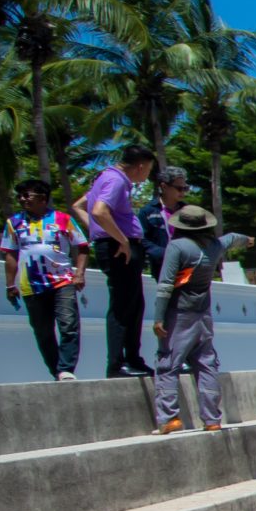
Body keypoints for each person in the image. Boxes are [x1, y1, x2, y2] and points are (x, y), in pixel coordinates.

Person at [149, 204, 253, 434]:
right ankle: (212, 419)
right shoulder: (214, 246)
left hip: (179, 313)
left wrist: (158, 317)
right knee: (206, 364)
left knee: (168, 364)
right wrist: (248, 240)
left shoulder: (177, 247)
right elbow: (232, 238)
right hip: (203, 313)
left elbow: (166, 285)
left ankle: (168, 418)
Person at [76, 145, 157, 378]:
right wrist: (120, 239)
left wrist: (97, 230)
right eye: (148, 170)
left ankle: (132, 358)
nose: (147, 175)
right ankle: (117, 363)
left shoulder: (105, 177)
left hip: (119, 246)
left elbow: (79, 206)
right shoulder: (116, 180)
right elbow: (100, 211)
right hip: (120, 249)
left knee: (134, 304)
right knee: (123, 307)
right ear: (140, 166)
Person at [0, 179, 90, 381]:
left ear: (42, 198)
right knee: (42, 331)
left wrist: (79, 273)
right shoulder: (13, 223)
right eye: (20, 196)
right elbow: (10, 255)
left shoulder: (62, 219)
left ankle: (66, 368)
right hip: (31, 284)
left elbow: (82, 246)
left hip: (62, 280)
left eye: (27, 195)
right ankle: (56, 371)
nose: (22, 199)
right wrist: (10, 284)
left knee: (68, 324)